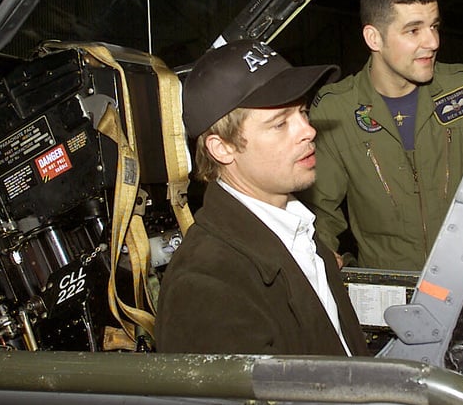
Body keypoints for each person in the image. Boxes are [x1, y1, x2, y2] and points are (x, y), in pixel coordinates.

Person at [155, 39, 369, 355]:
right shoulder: (206, 283)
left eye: (303, 112)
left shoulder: (300, 233)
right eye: (280, 123)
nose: (307, 130)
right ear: (222, 148)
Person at [301, 0, 463, 271]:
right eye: (413, 30)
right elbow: (317, 210)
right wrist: (323, 256)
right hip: (390, 292)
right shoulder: (337, 109)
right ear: (374, 38)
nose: (432, 42)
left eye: (434, 26)